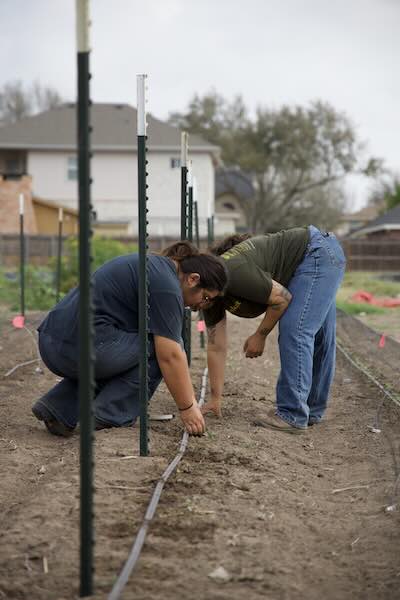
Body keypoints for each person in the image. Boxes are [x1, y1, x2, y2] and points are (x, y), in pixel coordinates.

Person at [32, 241, 227, 438]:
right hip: (79, 348)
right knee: (159, 347)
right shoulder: (167, 286)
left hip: (53, 341)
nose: (202, 305)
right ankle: (108, 415)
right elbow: (170, 355)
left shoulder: (153, 267)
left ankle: (58, 408)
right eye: (206, 297)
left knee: (131, 350)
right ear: (193, 279)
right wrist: (188, 407)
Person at [201, 226, 346, 433]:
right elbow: (216, 346)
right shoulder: (210, 296)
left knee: (296, 331)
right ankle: (310, 410)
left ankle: (292, 413)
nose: (195, 306)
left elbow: (281, 299)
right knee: (321, 337)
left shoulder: (230, 272)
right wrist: (215, 399)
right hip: (320, 253)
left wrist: (260, 335)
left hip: (315, 253)